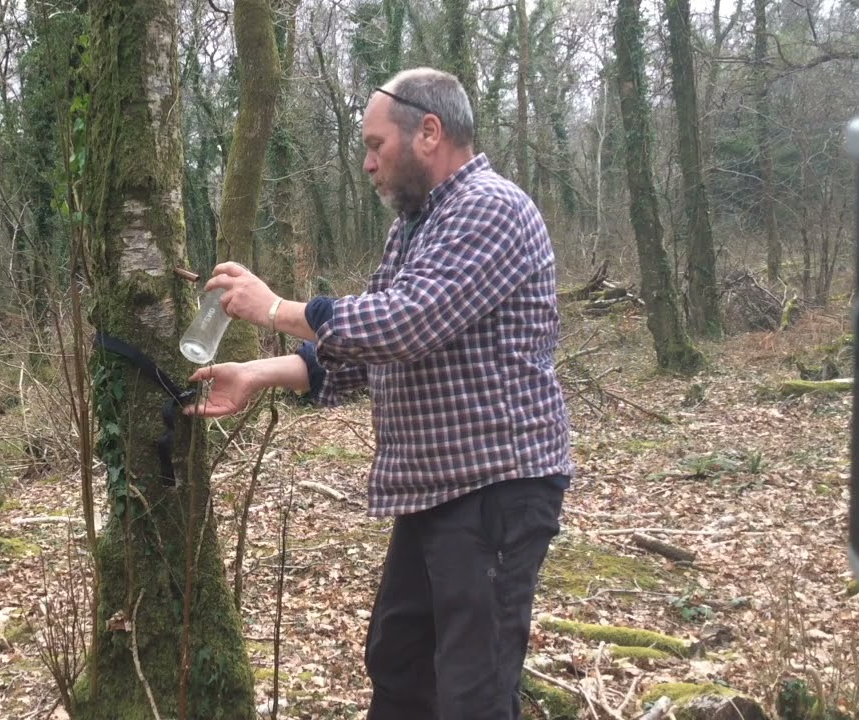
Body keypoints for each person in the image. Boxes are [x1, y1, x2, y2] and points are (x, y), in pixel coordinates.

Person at [187, 67, 573, 720]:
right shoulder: (415, 227)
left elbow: (402, 323)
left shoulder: (492, 208)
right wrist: (256, 374)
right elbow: (364, 352)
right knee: (398, 666)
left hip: (495, 489)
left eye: (375, 145)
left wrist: (275, 308)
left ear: (429, 132)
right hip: (433, 489)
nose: (367, 164)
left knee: (473, 693)